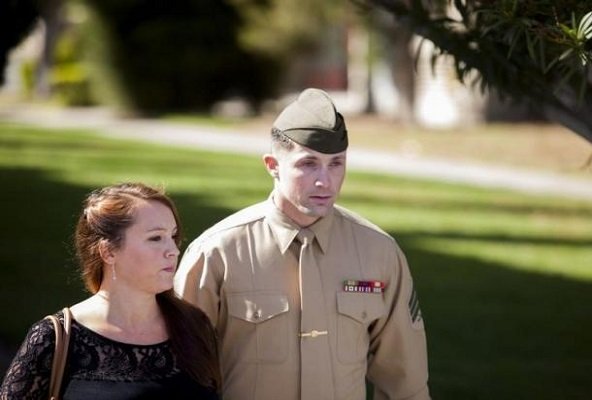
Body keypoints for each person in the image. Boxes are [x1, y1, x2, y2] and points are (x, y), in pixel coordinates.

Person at [174, 88, 430, 400]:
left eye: (336, 163)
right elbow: (180, 373)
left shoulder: (378, 252)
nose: (326, 181)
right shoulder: (217, 253)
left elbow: (405, 380)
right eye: (308, 164)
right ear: (272, 165)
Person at [0, 182, 221, 400]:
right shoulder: (54, 337)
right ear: (108, 252)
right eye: (156, 238)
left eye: (173, 237)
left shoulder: (195, 326)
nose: (173, 250)